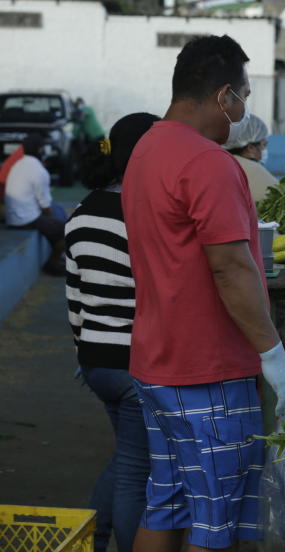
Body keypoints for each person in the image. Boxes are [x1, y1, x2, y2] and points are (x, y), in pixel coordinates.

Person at [122, 35, 285, 552]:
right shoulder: (208, 164)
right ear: (224, 96)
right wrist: (272, 352)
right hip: (210, 370)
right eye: (243, 95)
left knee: (169, 500)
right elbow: (231, 268)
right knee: (215, 515)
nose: (243, 110)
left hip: (157, 361)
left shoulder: (147, 148)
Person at [65, 112, 157, 552]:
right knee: (135, 473)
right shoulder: (142, 215)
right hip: (135, 364)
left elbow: (75, 299)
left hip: (97, 362)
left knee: (126, 461)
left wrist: (84, 352)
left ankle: (94, 537)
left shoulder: (80, 214)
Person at [4, 133, 67, 274]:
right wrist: (53, 223)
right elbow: (46, 207)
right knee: (67, 230)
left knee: (54, 221)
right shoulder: (39, 170)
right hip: (26, 220)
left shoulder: (18, 165)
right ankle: (53, 264)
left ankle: (55, 257)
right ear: (40, 150)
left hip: (12, 218)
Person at [222, 113, 278, 203]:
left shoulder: (219, 163)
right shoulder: (252, 170)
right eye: (264, 145)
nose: (264, 150)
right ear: (251, 148)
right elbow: (280, 199)